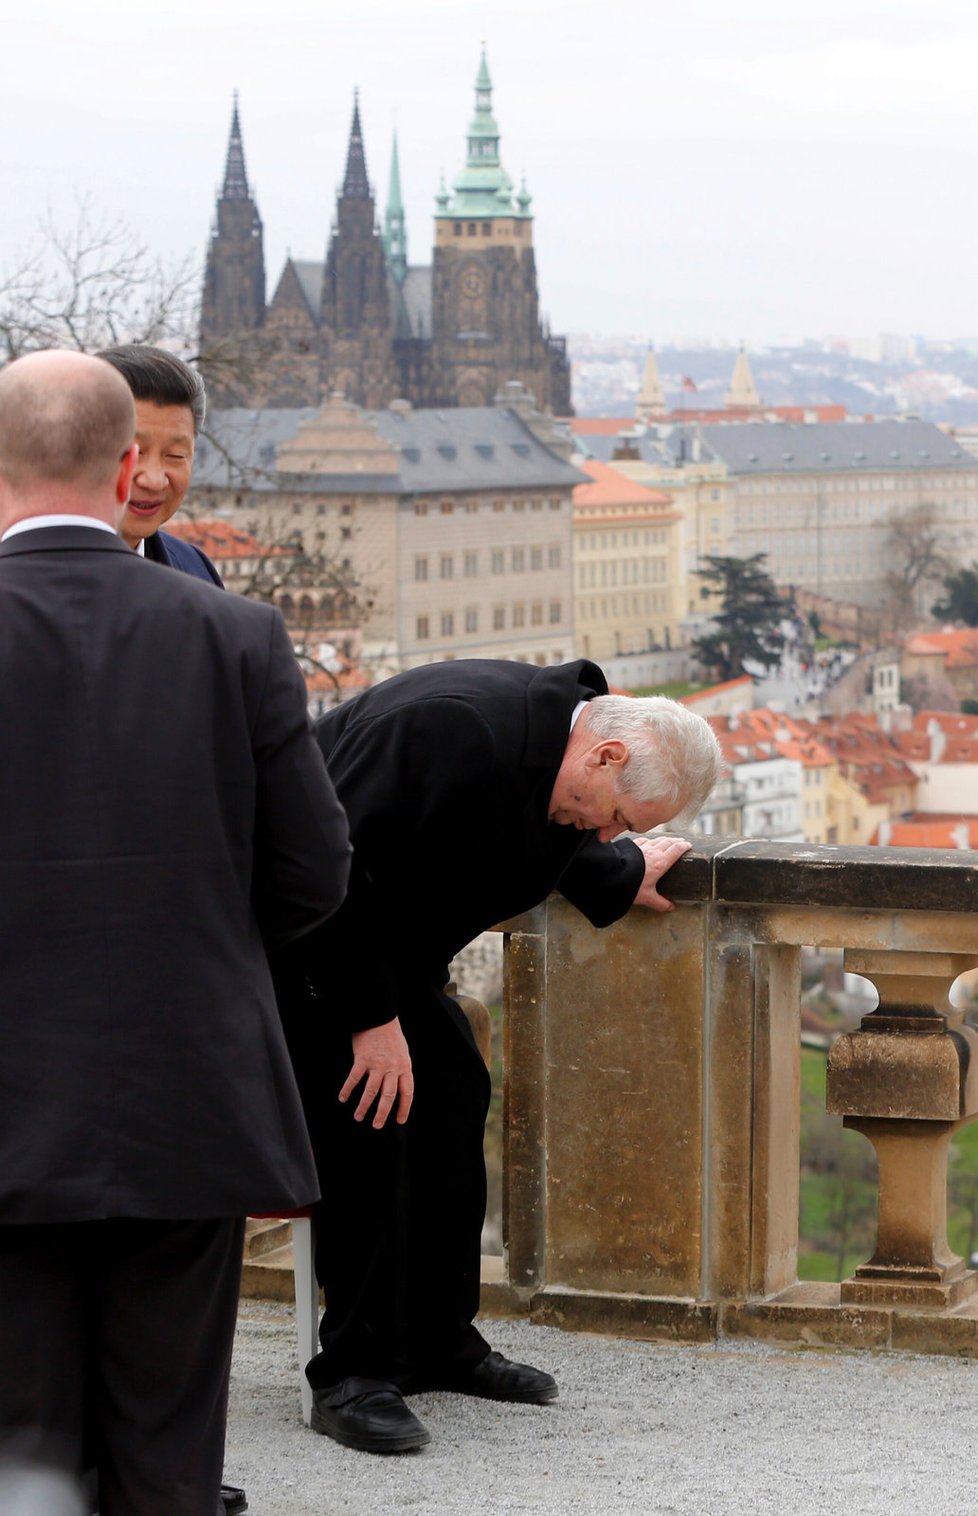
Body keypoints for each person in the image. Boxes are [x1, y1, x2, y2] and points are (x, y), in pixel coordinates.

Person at [0, 350, 352, 1516]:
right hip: (186, 1087)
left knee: (20, 1452)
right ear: (120, 466)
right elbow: (315, 871)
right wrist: (197, 946)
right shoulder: (237, 634)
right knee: (167, 1445)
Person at [275, 656, 721, 1454]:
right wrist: (371, 1020)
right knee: (372, 1113)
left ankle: (438, 1341)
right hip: (298, 955)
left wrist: (619, 872)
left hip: (383, 959)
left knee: (452, 1094)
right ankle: (352, 1371)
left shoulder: (556, 750)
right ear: (605, 755)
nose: (610, 830)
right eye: (619, 816)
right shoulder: (459, 727)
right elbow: (327, 864)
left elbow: (531, 823)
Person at [97, 344, 238, 1514]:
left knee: (169, 1267)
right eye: (137, 451)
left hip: (176, 979)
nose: (157, 477)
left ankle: (163, 1479)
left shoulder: (196, 575)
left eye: (179, 454)